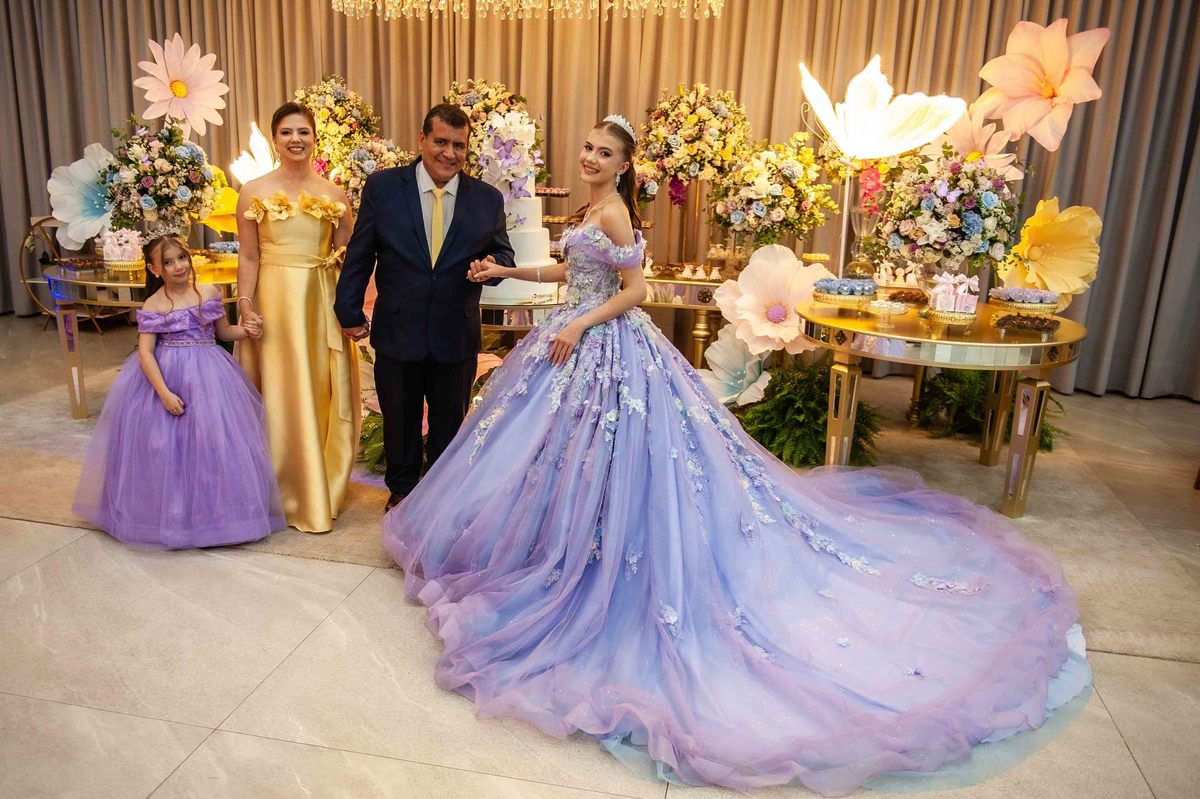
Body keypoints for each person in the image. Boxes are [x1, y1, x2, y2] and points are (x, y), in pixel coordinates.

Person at [381, 116, 1092, 796]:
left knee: (620, 468)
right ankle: (555, 549)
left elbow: (635, 292)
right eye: (589, 148)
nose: (591, 158)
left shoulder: (616, 212)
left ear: (624, 166)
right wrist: (503, 272)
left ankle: (597, 562)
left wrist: (579, 326)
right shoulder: (592, 208)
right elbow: (573, 270)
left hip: (602, 347)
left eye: (605, 153)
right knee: (553, 462)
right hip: (571, 337)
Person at [335, 103, 515, 512]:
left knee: (449, 422)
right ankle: (401, 492)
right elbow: (360, 253)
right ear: (422, 139)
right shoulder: (383, 188)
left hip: (456, 330)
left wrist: (491, 267)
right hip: (398, 327)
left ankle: (440, 497)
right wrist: (348, 310)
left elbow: (504, 256)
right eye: (441, 142)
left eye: (459, 146)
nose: (449, 153)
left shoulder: (486, 199)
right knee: (399, 417)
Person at [73, 235, 283, 548]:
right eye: (168, 262)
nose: (178, 266)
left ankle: (218, 517)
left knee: (213, 441)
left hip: (210, 374)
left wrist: (248, 330)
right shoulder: (154, 304)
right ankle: (173, 517)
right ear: (154, 269)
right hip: (168, 376)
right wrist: (163, 393)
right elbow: (145, 353)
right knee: (167, 447)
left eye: (181, 258)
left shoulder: (207, 292)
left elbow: (225, 332)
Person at [236, 102, 360, 533]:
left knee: (319, 388)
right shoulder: (253, 191)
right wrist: (245, 304)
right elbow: (248, 256)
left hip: (319, 302)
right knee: (277, 390)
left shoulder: (334, 195)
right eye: (287, 132)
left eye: (303, 132)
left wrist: (349, 308)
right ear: (274, 139)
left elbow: (348, 257)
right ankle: (275, 488)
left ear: (314, 138)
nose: (295, 140)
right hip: (272, 302)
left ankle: (316, 487)